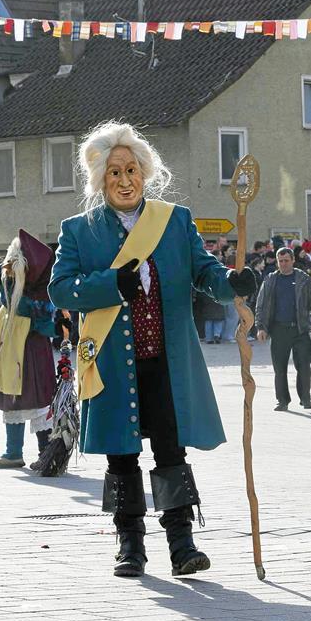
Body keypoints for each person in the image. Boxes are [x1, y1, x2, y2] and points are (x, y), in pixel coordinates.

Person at [49, 121, 255, 579]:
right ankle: (130, 546)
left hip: (166, 360)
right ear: (100, 181)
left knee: (170, 451)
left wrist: (232, 283)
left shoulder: (174, 220)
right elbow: (61, 290)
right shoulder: (79, 231)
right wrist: (112, 284)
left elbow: (204, 272)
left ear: (146, 172)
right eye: (114, 173)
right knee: (121, 456)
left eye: (132, 170)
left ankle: (183, 544)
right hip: (110, 362)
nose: (125, 181)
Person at [0, 231, 59, 469]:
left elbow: (40, 315)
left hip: (31, 344)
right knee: (10, 392)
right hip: (9, 340)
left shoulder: (39, 285)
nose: (9, 266)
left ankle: (46, 453)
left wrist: (56, 327)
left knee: (37, 396)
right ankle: (13, 453)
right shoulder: (9, 273)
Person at [254, 247, 311, 410]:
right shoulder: (270, 279)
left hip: (300, 329)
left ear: (292, 260)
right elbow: (261, 305)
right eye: (280, 261)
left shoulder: (303, 279)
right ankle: (282, 401)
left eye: (286, 260)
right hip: (278, 329)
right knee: (280, 368)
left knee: (304, 365)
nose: (283, 264)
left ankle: (305, 398)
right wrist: (261, 327)